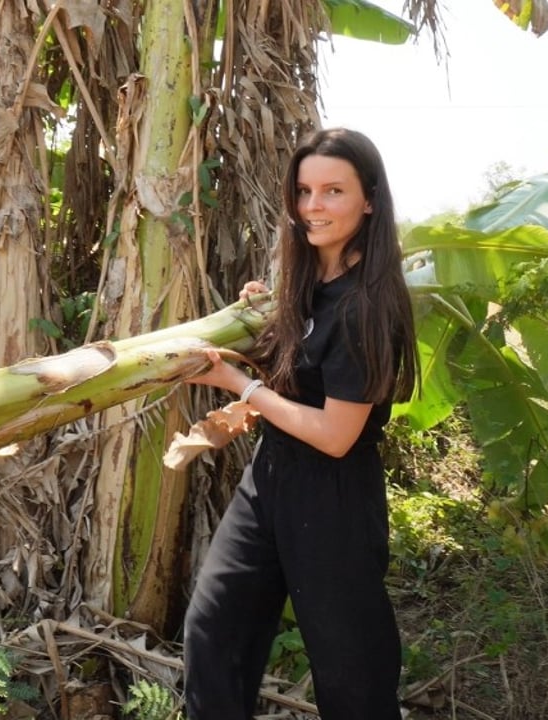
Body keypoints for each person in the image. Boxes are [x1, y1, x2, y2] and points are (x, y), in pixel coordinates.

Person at [182, 127, 419, 720]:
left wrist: (242, 387)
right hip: (270, 479)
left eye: (333, 191)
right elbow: (298, 369)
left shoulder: (368, 303)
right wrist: (263, 318)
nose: (313, 206)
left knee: (351, 677)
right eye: (304, 190)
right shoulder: (307, 281)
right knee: (214, 632)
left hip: (333, 495)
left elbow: (336, 436)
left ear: (369, 199)